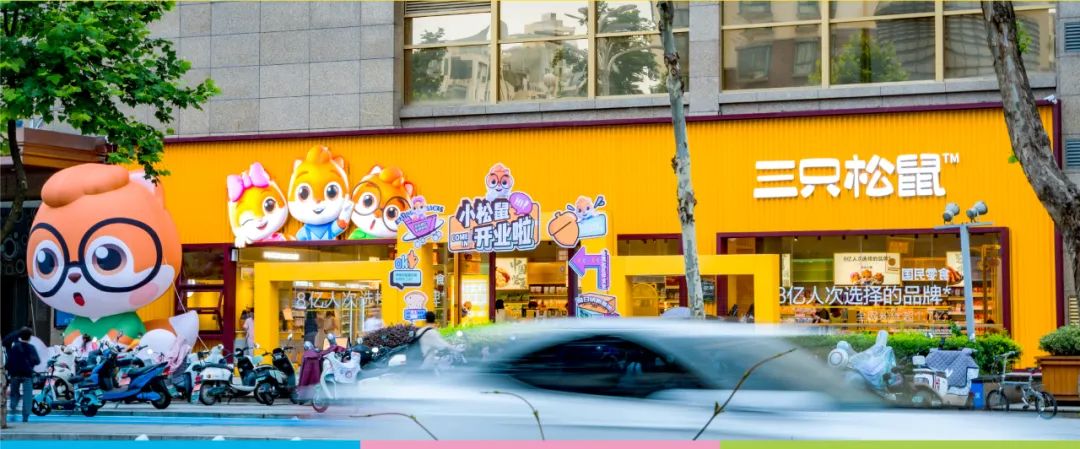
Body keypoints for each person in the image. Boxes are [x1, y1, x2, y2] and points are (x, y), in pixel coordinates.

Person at [3, 327, 40, 422]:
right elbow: (37, 361)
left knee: (14, 394)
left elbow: (9, 361)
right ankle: (25, 417)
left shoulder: (15, 347)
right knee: (27, 396)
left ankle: (13, 411)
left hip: (15, 375)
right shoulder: (31, 348)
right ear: (30, 337)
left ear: (20, 336)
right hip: (27, 375)